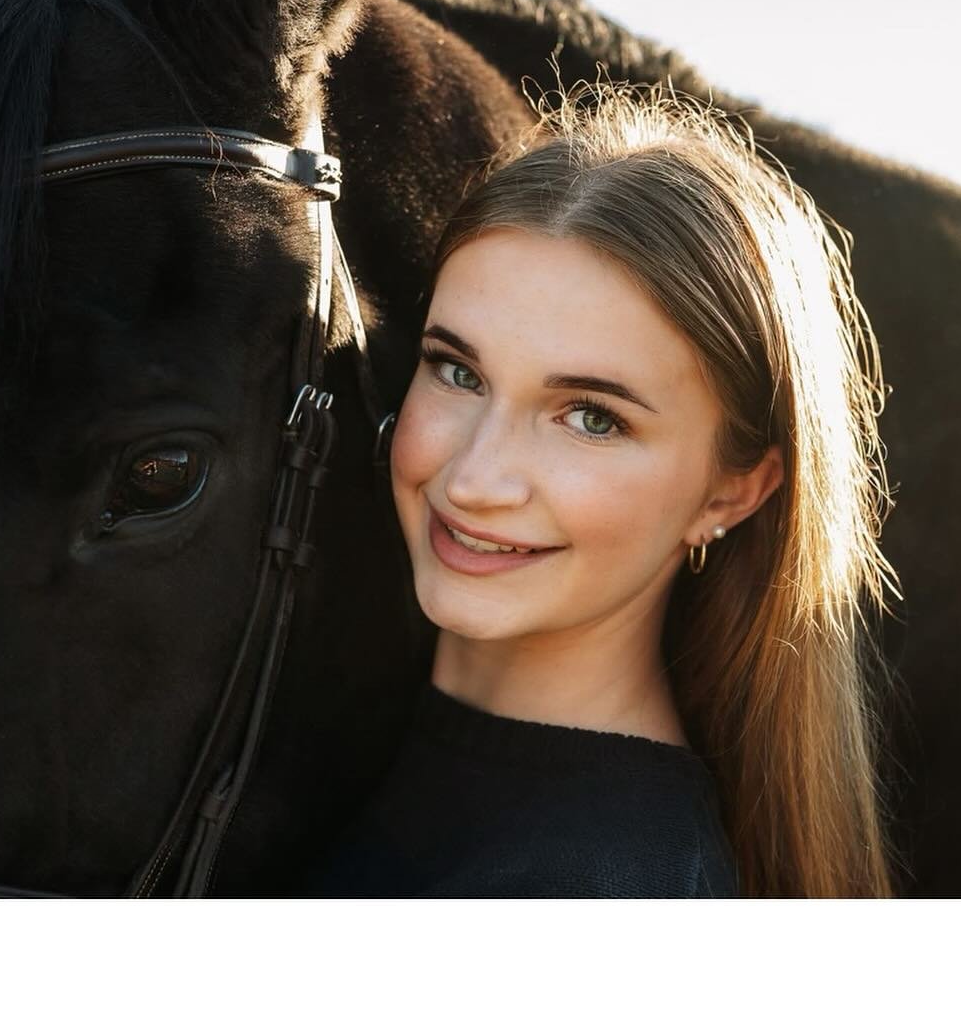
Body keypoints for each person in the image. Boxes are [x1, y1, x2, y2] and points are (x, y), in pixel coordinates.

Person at [307, 82, 900, 898]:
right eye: (458, 371)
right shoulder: (304, 725)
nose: (475, 478)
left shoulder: (614, 884)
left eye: (590, 417)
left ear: (731, 494)